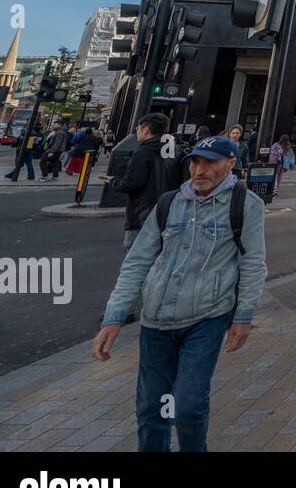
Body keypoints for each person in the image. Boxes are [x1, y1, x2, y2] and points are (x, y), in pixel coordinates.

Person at [92, 135, 267, 452]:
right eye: (195, 162)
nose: (200, 171)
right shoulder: (169, 203)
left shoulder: (246, 205)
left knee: (187, 406)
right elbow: (138, 261)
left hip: (207, 317)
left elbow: (253, 264)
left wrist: (243, 316)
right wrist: (114, 316)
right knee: (151, 408)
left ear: (230, 164)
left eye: (210, 162)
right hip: (156, 319)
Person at [101, 112, 176, 254]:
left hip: (143, 211)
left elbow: (132, 184)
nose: (137, 131)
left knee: (135, 255)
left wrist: (113, 181)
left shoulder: (143, 152)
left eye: (138, 128)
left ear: (146, 129)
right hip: (168, 210)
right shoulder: (175, 151)